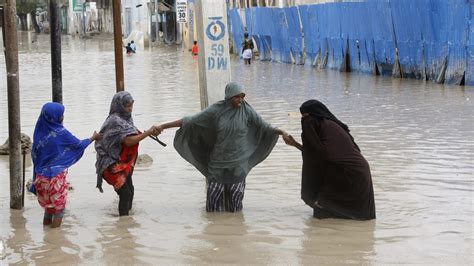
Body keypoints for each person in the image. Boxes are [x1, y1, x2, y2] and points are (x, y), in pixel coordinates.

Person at [155, 82, 288, 212]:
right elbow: (191, 120)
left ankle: (234, 230)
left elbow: (265, 126)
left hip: (238, 164)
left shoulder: (247, 110)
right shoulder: (217, 110)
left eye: (242, 96)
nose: (240, 100)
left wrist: (282, 132)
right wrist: (163, 126)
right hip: (218, 163)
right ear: (229, 97)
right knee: (213, 203)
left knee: (236, 204)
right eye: (237, 97)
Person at [283, 100, 376, 220]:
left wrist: (309, 196)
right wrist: (295, 144)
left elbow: (317, 156)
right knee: (353, 220)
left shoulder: (318, 125)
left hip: (345, 174)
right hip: (357, 172)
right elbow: (317, 153)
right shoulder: (331, 126)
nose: (305, 121)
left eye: (306, 117)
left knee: (323, 210)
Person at [30, 102, 101, 228]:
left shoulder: (39, 134)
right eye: (62, 115)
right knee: (59, 209)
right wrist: (93, 137)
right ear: (57, 117)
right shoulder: (61, 133)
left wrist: (35, 181)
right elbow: (78, 145)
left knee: (49, 208)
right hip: (55, 178)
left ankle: (46, 234)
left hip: (41, 179)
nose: (63, 117)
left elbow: (36, 159)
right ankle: (54, 240)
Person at [95, 91, 160, 216]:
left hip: (123, 163)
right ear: (119, 105)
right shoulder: (115, 120)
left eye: (131, 105)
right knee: (125, 193)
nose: (130, 109)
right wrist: (147, 133)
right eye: (127, 106)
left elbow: (131, 134)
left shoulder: (126, 118)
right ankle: (123, 222)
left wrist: (147, 132)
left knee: (130, 190)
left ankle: (126, 225)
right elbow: (128, 141)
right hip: (111, 165)